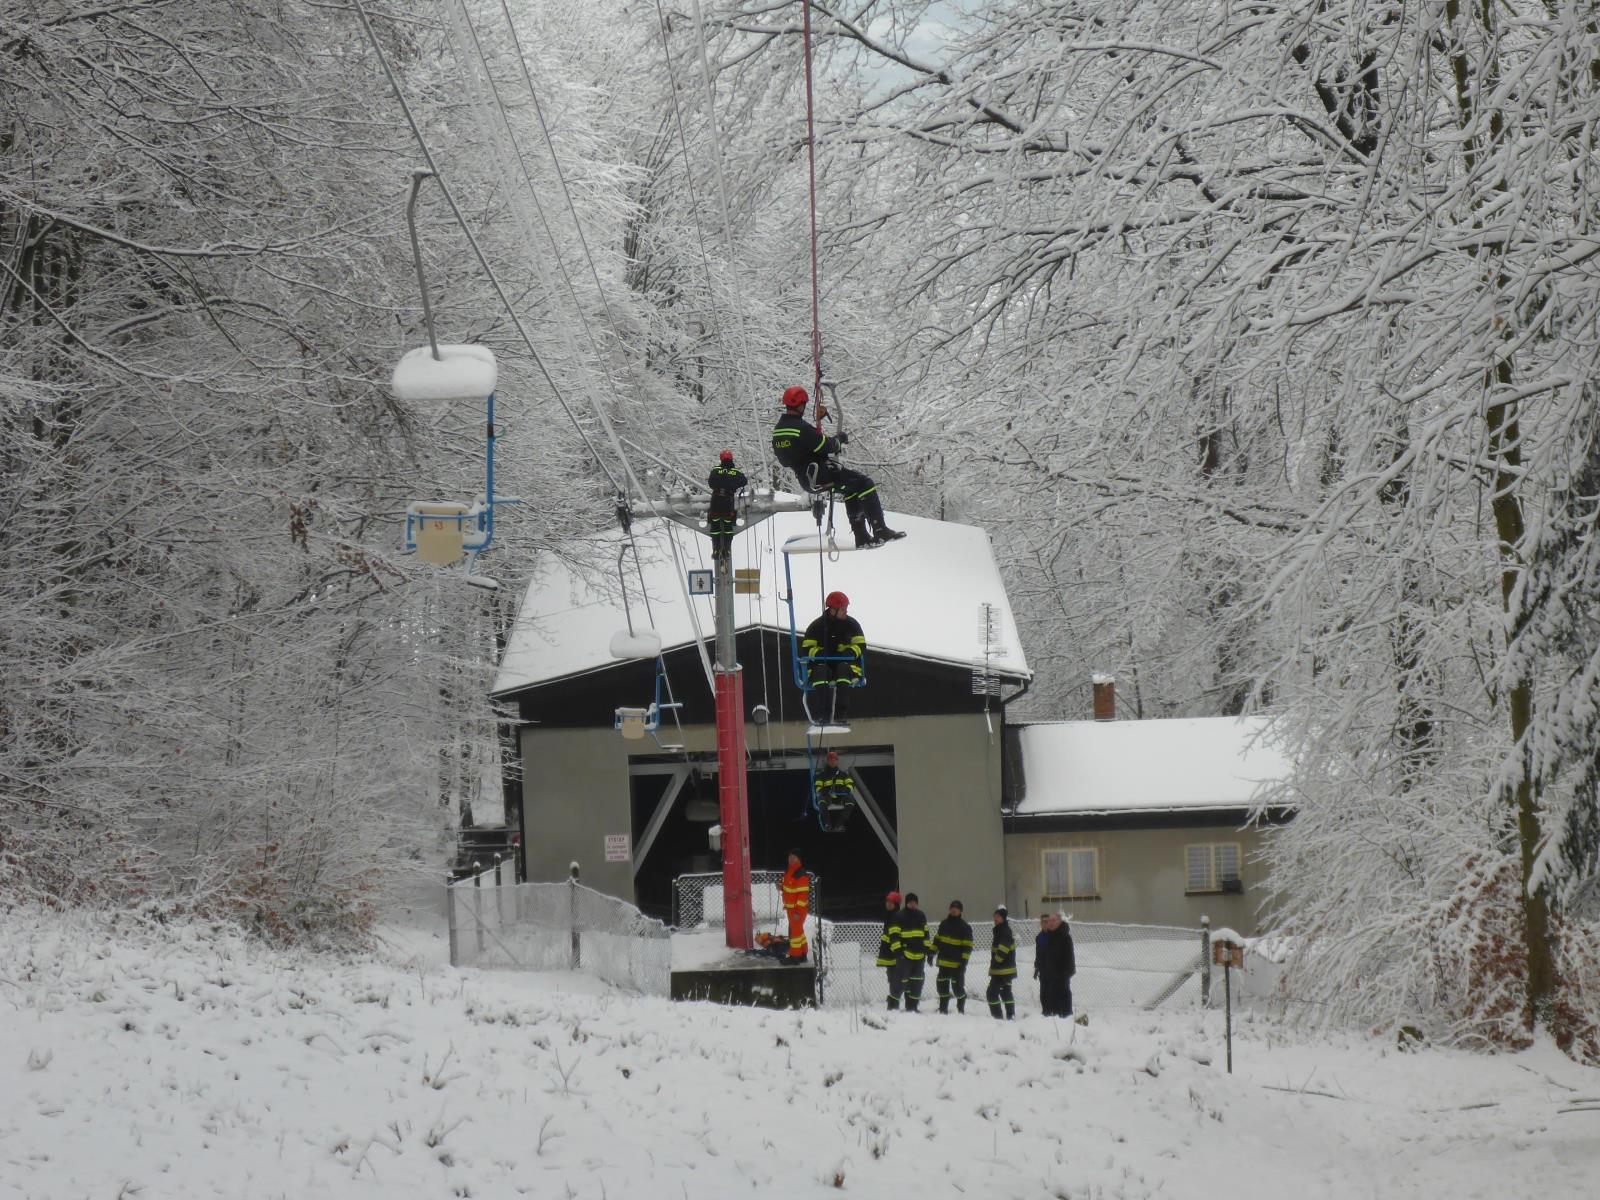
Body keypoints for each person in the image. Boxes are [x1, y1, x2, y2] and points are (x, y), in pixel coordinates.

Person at [771, 385, 904, 549]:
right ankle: (880, 529)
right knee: (865, 484)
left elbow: (785, 461)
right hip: (822, 473)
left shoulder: (778, 432)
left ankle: (862, 537)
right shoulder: (801, 428)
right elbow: (827, 446)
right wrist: (839, 440)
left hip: (806, 481)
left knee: (851, 488)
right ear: (802, 405)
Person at [801, 591, 865, 725]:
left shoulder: (852, 626)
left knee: (843, 670)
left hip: (846, 666)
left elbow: (861, 646)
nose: (846, 612)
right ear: (833, 610)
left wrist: (847, 654)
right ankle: (824, 716)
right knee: (820, 672)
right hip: (822, 666)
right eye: (843, 609)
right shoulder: (816, 627)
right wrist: (820, 655)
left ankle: (840, 715)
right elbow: (806, 649)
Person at [933, 900, 974, 1015]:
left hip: (957, 965)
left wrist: (963, 963)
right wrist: (931, 953)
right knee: (942, 987)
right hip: (943, 963)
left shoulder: (965, 927)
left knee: (958, 989)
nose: (954, 910)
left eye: (956, 908)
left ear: (960, 911)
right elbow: (937, 940)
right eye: (952, 907)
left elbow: (967, 947)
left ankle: (961, 1009)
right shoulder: (944, 924)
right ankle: (943, 1009)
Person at [706, 450, 746, 561]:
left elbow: (711, 483)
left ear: (721, 459)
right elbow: (744, 481)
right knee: (728, 525)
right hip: (728, 501)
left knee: (715, 524)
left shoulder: (715, 470)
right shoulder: (735, 471)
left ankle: (716, 549)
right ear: (731, 459)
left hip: (716, 500)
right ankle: (727, 550)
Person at [1036, 910, 1077, 1016]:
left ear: (1059, 922)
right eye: (1049, 921)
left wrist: (1063, 976)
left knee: (1062, 1005)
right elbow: (1042, 956)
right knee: (1047, 1003)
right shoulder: (1048, 937)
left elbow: (1070, 961)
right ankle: (1048, 1020)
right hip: (1047, 977)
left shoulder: (1065, 938)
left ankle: (1065, 1020)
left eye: (1053, 920)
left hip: (1061, 978)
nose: (1050, 923)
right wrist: (1039, 968)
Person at [898, 892, 930, 1012]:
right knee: (906, 981)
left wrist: (928, 951)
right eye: (911, 902)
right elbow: (896, 935)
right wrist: (900, 951)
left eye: (915, 903)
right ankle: (908, 1005)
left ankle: (914, 1006)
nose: (913, 905)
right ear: (906, 903)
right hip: (906, 955)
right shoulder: (900, 916)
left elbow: (926, 933)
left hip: (920, 955)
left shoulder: (921, 915)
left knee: (918, 981)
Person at [813, 750, 856, 832]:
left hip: (840, 797)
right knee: (821, 801)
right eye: (831, 760)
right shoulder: (822, 775)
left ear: (837, 761)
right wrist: (822, 791)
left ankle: (839, 824)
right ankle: (827, 824)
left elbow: (850, 782)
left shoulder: (843, 774)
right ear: (828, 761)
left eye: (834, 760)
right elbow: (817, 786)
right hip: (827, 796)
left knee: (850, 801)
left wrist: (847, 789)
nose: (832, 762)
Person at [987, 905, 1017, 1020]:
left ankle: (997, 1018)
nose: (995, 918)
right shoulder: (1002, 930)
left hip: (1001, 970)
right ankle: (1011, 1016)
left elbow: (1003, 950)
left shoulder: (1003, 931)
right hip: (1006, 970)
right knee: (1006, 993)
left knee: (991, 993)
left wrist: (996, 961)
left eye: (997, 916)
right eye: (994, 916)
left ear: (1003, 918)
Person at [876, 891, 905, 1011]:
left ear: (896, 904)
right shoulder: (888, 916)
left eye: (891, 903)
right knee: (892, 978)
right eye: (887, 902)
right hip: (889, 953)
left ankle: (893, 1003)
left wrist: (897, 952)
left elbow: (895, 936)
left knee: (896, 979)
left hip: (895, 953)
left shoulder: (896, 917)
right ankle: (893, 1001)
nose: (888, 904)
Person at [780, 850, 810, 962]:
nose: (791, 859)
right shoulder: (790, 871)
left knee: (795, 934)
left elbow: (803, 896)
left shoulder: (801, 874)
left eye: (794, 857)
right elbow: (789, 887)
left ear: (799, 859)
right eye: (790, 857)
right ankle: (803, 954)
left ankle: (795, 957)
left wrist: (798, 912)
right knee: (799, 932)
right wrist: (781, 887)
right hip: (791, 909)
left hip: (797, 911)